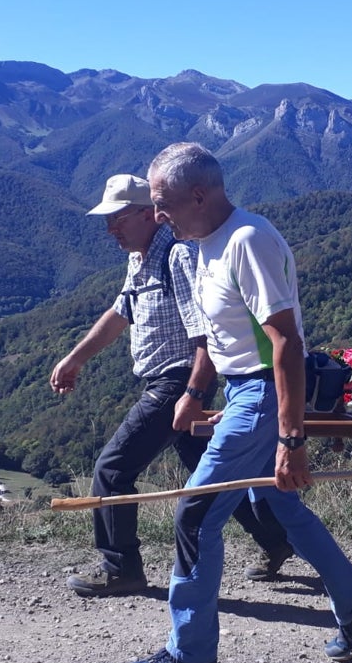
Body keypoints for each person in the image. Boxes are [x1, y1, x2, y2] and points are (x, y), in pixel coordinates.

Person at [121, 142, 352, 663]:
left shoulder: (247, 241)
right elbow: (219, 337)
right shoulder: (201, 244)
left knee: (195, 515)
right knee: (280, 503)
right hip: (247, 388)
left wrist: (291, 438)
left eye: (163, 201)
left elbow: (286, 342)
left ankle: (192, 653)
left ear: (199, 194)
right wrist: (198, 390)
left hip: (266, 392)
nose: (157, 215)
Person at [50, 173, 294, 597]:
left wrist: (194, 393)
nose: (110, 229)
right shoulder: (140, 257)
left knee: (112, 468)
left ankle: (119, 567)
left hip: (175, 383)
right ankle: (276, 540)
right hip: (170, 383)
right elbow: (119, 311)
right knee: (211, 478)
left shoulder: (177, 256)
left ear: (148, 215)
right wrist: (75, 358)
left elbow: (204, 336)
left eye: (118, 219)